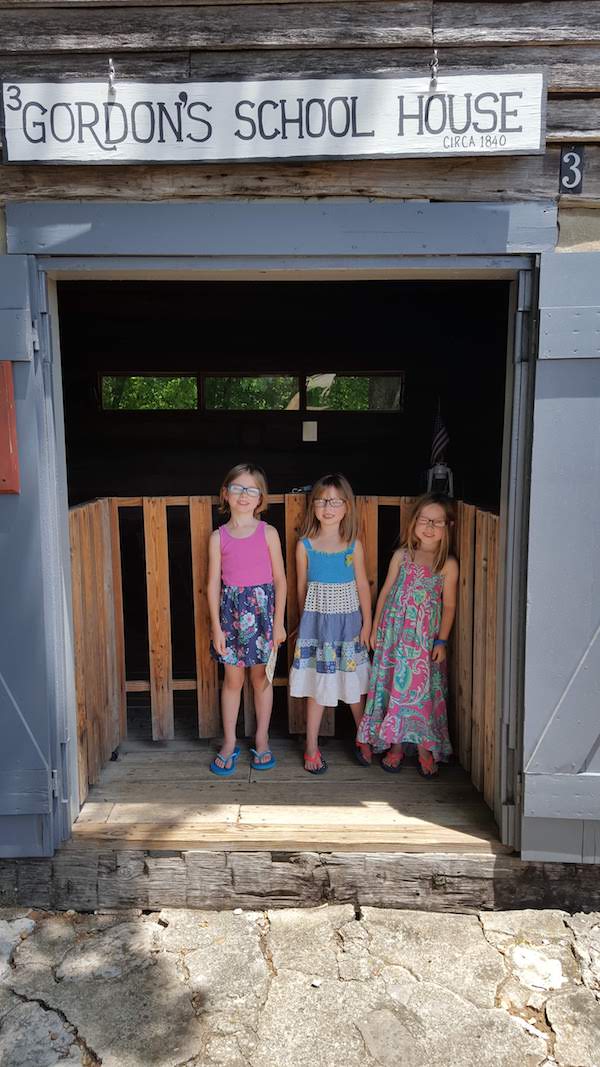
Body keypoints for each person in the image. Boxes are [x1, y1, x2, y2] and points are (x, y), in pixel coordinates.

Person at [356, 494, 458, 777]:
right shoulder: (402, 555)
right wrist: (375, 628)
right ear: (414, 523)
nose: (429, 527)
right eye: (424, 520)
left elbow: (449, 605)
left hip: (424, 641)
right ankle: (396, 745)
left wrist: (442, 641)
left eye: (437, 522)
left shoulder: (446, 564)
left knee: (421, 691)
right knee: (394, 688)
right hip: (393, 636)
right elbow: (386, 591)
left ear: (447, 526)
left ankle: (425, 747)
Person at [207, 463, 286, 776]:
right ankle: (229, 742)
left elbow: (280, 579)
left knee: (261, 679)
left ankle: (262, 739)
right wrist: (216, 626)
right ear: (225, 494)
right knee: (233, 680)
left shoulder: (268, 533)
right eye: (237, 488)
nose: (244, 495)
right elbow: (213, 583)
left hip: (264, 615)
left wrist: (279, 623)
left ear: (261, 498)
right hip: (231, 615)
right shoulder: (218, 537)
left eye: (251, 490)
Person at [289, 473, 371, 774]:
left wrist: (368, 625)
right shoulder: (305, 547)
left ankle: (363, 735)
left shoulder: (353, 546)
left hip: (349, 627)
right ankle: (311, 745)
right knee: (318, 685)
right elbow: (301, 588)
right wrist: (303, 623)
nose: (328, 508)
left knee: (354, 686)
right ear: (314, 506)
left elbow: (363, 585)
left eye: (335, 502)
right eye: (322, 501)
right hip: (318, 627)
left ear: (346, 507)